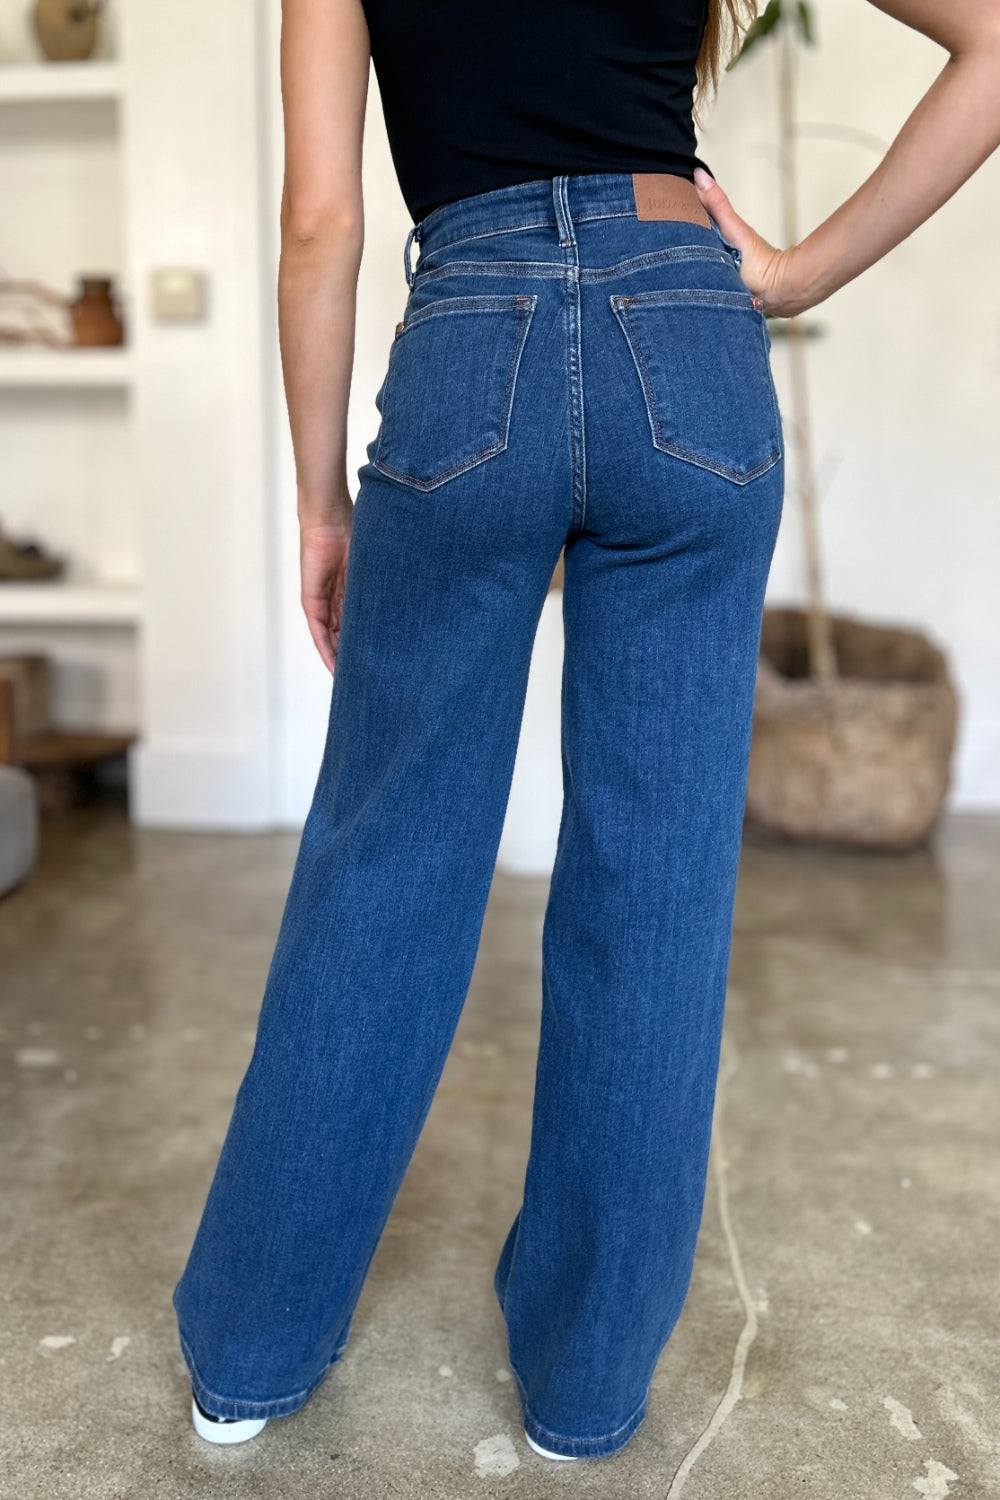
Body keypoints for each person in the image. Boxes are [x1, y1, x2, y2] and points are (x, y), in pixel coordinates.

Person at [173, 0, 1000, 1462]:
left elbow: (321, 221)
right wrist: (800, 270)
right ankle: (586, 1386)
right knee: (657, 889)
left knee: (384, 870)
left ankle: (248, 1353)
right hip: (684, 334)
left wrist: (319, 502)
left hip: (469, 335)